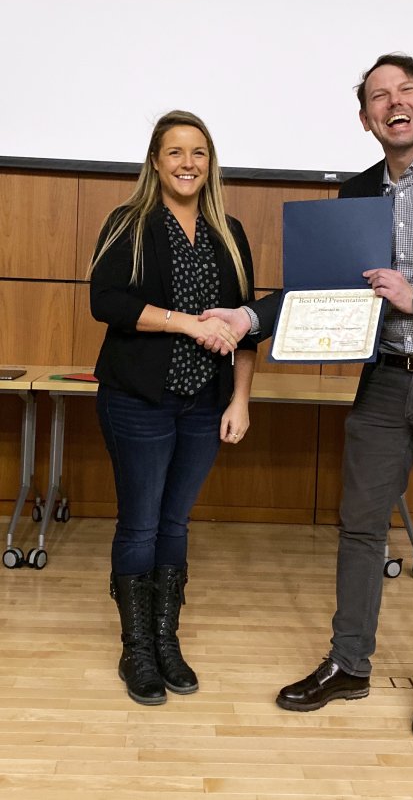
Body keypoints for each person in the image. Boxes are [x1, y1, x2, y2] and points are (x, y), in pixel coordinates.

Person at [202, 53, 413, 738]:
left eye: (404, 90)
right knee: (359, 528)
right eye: (378, 97)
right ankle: (348, 663)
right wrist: (248, 318)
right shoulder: (356, 192)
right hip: (385, 381)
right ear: (366, 119)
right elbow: (317, 288)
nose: (393, 103)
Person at [89, 110, 257, 706]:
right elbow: (104, 301)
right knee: (139, 522)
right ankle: (136, 650)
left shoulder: (230, 232)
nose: (188, 164)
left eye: (199, 154)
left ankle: (166, 640)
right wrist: (184, 322)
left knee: (175, 523)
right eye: (176, 152)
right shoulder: (129, 222)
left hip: (205, 404)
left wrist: (240, 399)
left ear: (210, 164)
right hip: (138, 401)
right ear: (155, 162)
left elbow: (246, 328)